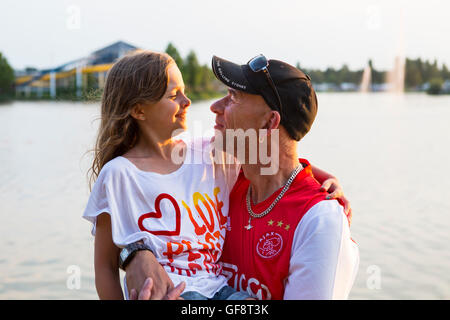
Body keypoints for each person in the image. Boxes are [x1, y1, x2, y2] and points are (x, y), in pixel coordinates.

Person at [123, 54, 358, 300]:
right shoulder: (220, 176)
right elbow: (133, 177)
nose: (215, 107)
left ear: (269, 123)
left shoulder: (321, 222)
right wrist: (135, 253)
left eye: (233, 97)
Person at [83, 50, 250, 300]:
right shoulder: (119, 174)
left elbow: (275, 159)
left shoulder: (208, 152)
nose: (187, 100)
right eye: (174, 95)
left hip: (219, 287)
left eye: (184, 90)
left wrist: (319, 178)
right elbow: (105, 268)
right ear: (139, 111)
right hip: (171, 292)